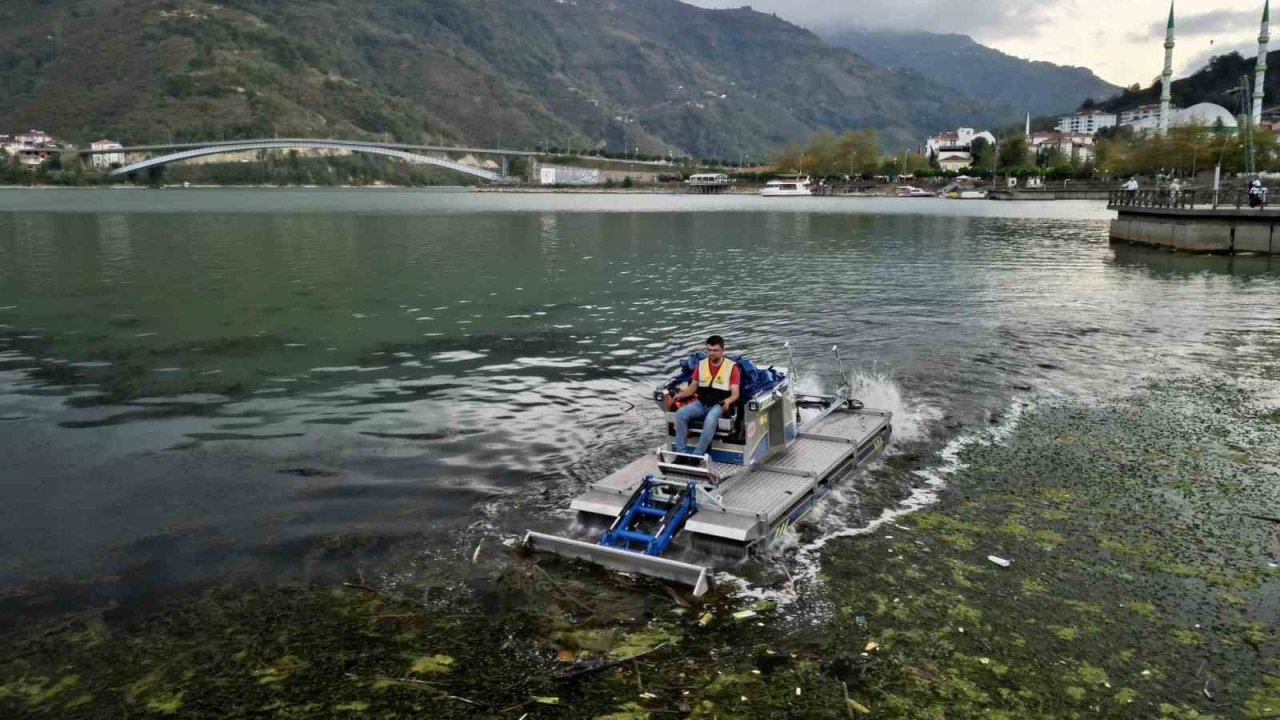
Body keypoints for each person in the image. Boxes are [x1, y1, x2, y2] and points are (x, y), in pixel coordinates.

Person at [669, 335, 741, 457]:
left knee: (710, 420)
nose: (711, 353)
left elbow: (735, 394)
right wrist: (679, 396)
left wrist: (728, 401)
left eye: (715, 350)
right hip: (701, 403)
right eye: (709, 350)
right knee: (680, 415)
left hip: (718, 405)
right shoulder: (701, 365)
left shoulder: (732, 367)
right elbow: (692, 388)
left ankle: (697, 455)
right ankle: (681, 454)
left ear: (722, 350)